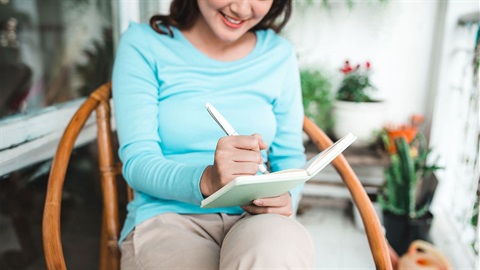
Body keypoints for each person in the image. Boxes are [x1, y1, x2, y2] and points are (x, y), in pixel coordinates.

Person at [112, 0, 315, 268]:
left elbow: (289, 155)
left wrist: (286, 197)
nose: (242, 9)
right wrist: (206, 181)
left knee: (275, 252)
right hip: (167, 218)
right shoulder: (143, 44)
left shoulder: (279, 53)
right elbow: (138, 163)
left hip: (257, 217)